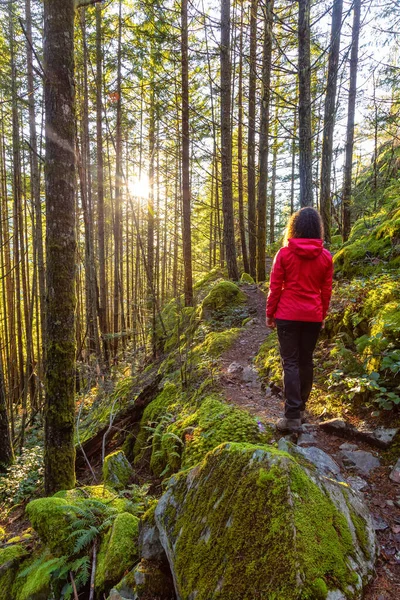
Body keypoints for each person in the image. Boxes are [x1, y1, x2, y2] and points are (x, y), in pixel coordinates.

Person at [266, 207, 333, 432]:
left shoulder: (284, 254)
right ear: (317, 228)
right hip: (312, 316)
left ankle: (292, 415)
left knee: (291, 362)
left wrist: (270, 313)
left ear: (294, 227)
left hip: (287, 315)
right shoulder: (325, 257)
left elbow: (275, 287)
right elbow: (326, 291)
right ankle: (301, 409)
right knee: (305, 360)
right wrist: (322, 314)